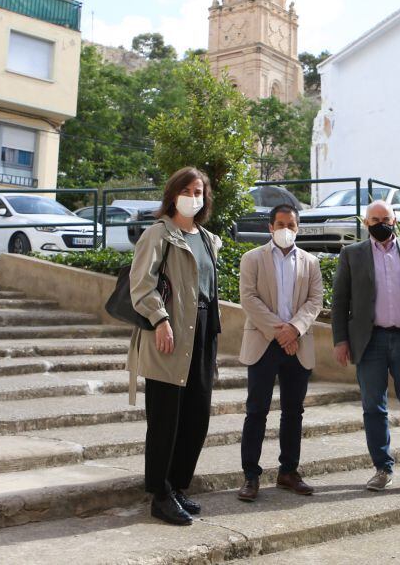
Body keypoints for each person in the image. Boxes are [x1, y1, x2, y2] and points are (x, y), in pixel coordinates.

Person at [128, 167, 221, 526]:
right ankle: (160, 494)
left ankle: (179, 485)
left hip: (202, 334)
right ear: (172, 194)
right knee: (166, 418)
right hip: (169, 332)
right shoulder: (158, 234)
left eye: (199, 191)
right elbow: (142, 284)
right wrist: (160, 320)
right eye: (186, 189)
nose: (193, 196)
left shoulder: (208, 239)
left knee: (197, 416)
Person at [331, 199, 400, 497]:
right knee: (373, 408)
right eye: (374, 219)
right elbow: (340, 301)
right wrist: (340, 340)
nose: (381, 223)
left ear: (394, 221)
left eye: (386, 218)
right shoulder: (352, 254)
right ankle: (383, 468)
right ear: (366, 223)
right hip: (371, 341)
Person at [236, 203, 323, 502]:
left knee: (293, 412)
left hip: (297, 345)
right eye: (281, 224)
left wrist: (294, 329)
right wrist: (280, 331)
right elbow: (248, 298)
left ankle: (288, 471)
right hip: (263, 343)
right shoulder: (252, 259)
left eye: (292, 225)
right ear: (270, 227)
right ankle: (250, 475)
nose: (287, 230)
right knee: (257, 410)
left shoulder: (311, 262)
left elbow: (315, 301)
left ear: (298, 228)